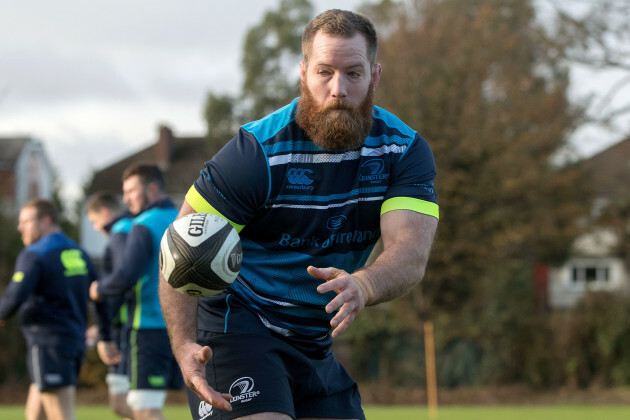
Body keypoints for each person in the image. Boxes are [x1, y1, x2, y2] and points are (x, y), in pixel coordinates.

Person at [159, 9, 439, 420]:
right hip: (238, 326)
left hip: (314, 342)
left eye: (353, 73)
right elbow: (180, 249)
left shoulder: (404, 151)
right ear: (304, 74)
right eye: (325, 72)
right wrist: (184, 344)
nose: (338, 89)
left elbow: (410, 250)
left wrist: (363, 284)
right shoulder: (256, 153)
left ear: (375, 76)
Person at [90, 163, 183, 420]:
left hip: (148, 327)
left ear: (151, 189)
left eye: (131, 191)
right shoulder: (183, 218)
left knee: (145, 409)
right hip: (184, 325)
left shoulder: (142, 224)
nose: (126, 199)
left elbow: (125, 277)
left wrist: (99, 289)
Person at [0, 199, 100, 420]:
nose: (20, 227)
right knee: (35, 415)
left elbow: (14, 296)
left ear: (45, 221)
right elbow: (99, 293)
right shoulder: (77, 252)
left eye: (26, 221)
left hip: (49, 344)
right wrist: (102, 327)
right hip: (73, 341)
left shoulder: (35, 253)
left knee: (60, 415)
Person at [85, 191, 134, 419]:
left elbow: (120, 284)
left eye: (94, 221)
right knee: (127, 404)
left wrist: (104, 331)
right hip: (128, 326)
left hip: (125, 329)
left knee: (126, 404)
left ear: (105, 212)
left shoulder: (120, 233)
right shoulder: (134, 229)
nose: (95, 228)